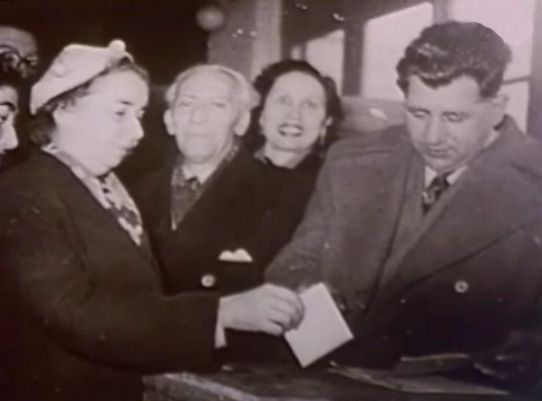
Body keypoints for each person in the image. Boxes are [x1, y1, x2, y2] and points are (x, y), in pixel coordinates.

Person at [0, 41, 303, 401]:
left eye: (140, 115)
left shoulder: (104, 187)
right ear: (65, 110)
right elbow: (74, 312)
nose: (138, 133)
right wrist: (220, 314)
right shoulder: (26, 191)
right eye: (120, 112)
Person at [267, 21, 542, 389]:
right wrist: (307, 294)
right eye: (418, 113)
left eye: (454, 117)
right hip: (334, 382)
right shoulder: (351, 163)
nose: (432, 137)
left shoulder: (534, 183)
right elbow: (291, 266)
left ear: (497, 108)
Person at [134, 64, 313, 296]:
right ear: (170, 120)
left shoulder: (291, 195)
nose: (198, 117)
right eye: (187, 104)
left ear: (242, 122)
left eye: (217, 105)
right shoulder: (132, 192)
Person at [246, 59, 342, 180]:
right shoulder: (230, 169)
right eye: (283, 101)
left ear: (326, 123)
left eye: (309, 105)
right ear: (261, 114)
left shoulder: (336, 181)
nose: (294, 114)